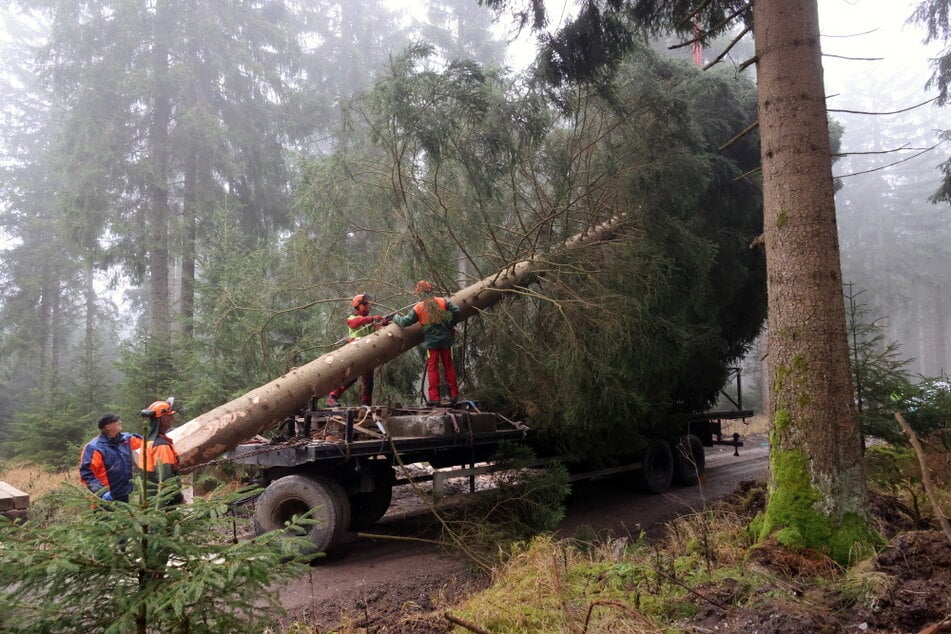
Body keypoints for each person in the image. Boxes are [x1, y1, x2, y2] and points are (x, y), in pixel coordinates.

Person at [394, 280, 462, 406]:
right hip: (446, 340)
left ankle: (435, 398)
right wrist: (450, 323)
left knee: (433, 369)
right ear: (430, 290)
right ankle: (454, 396)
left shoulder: (419, 307)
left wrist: (395, 317)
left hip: (432, 343)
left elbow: (405, 322)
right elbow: (456, 311)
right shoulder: (442, 301)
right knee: (449, 367)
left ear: (421, 293)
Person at [325, 293, 388, 407]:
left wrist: (382, 324)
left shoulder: (369, 322)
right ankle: (332, 396)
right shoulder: (352, 318)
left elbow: (377, 332)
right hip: (355, 353)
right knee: (351, 377)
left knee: (368, 381)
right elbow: (354, 324)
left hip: (367, 353)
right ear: (361, 306)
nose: (369, 306)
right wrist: (372, 318)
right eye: (367, 304)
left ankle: (366, 405)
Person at [79, 414, 143, 503]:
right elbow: (86, 474)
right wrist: (101, 493)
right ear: (108, 426)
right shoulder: (94, 448)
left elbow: (147, 442)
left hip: (123, 494)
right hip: (104, 498)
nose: (120, 422)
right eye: (116, 421)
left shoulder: (125, 440)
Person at [136, 398, 184, 506]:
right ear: (162, 420)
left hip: (148, 501)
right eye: (169, 416)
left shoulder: (147, 441)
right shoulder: (160, 446)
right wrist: (178, 497)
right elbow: (166, 479)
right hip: (161, 503)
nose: (171, 418)